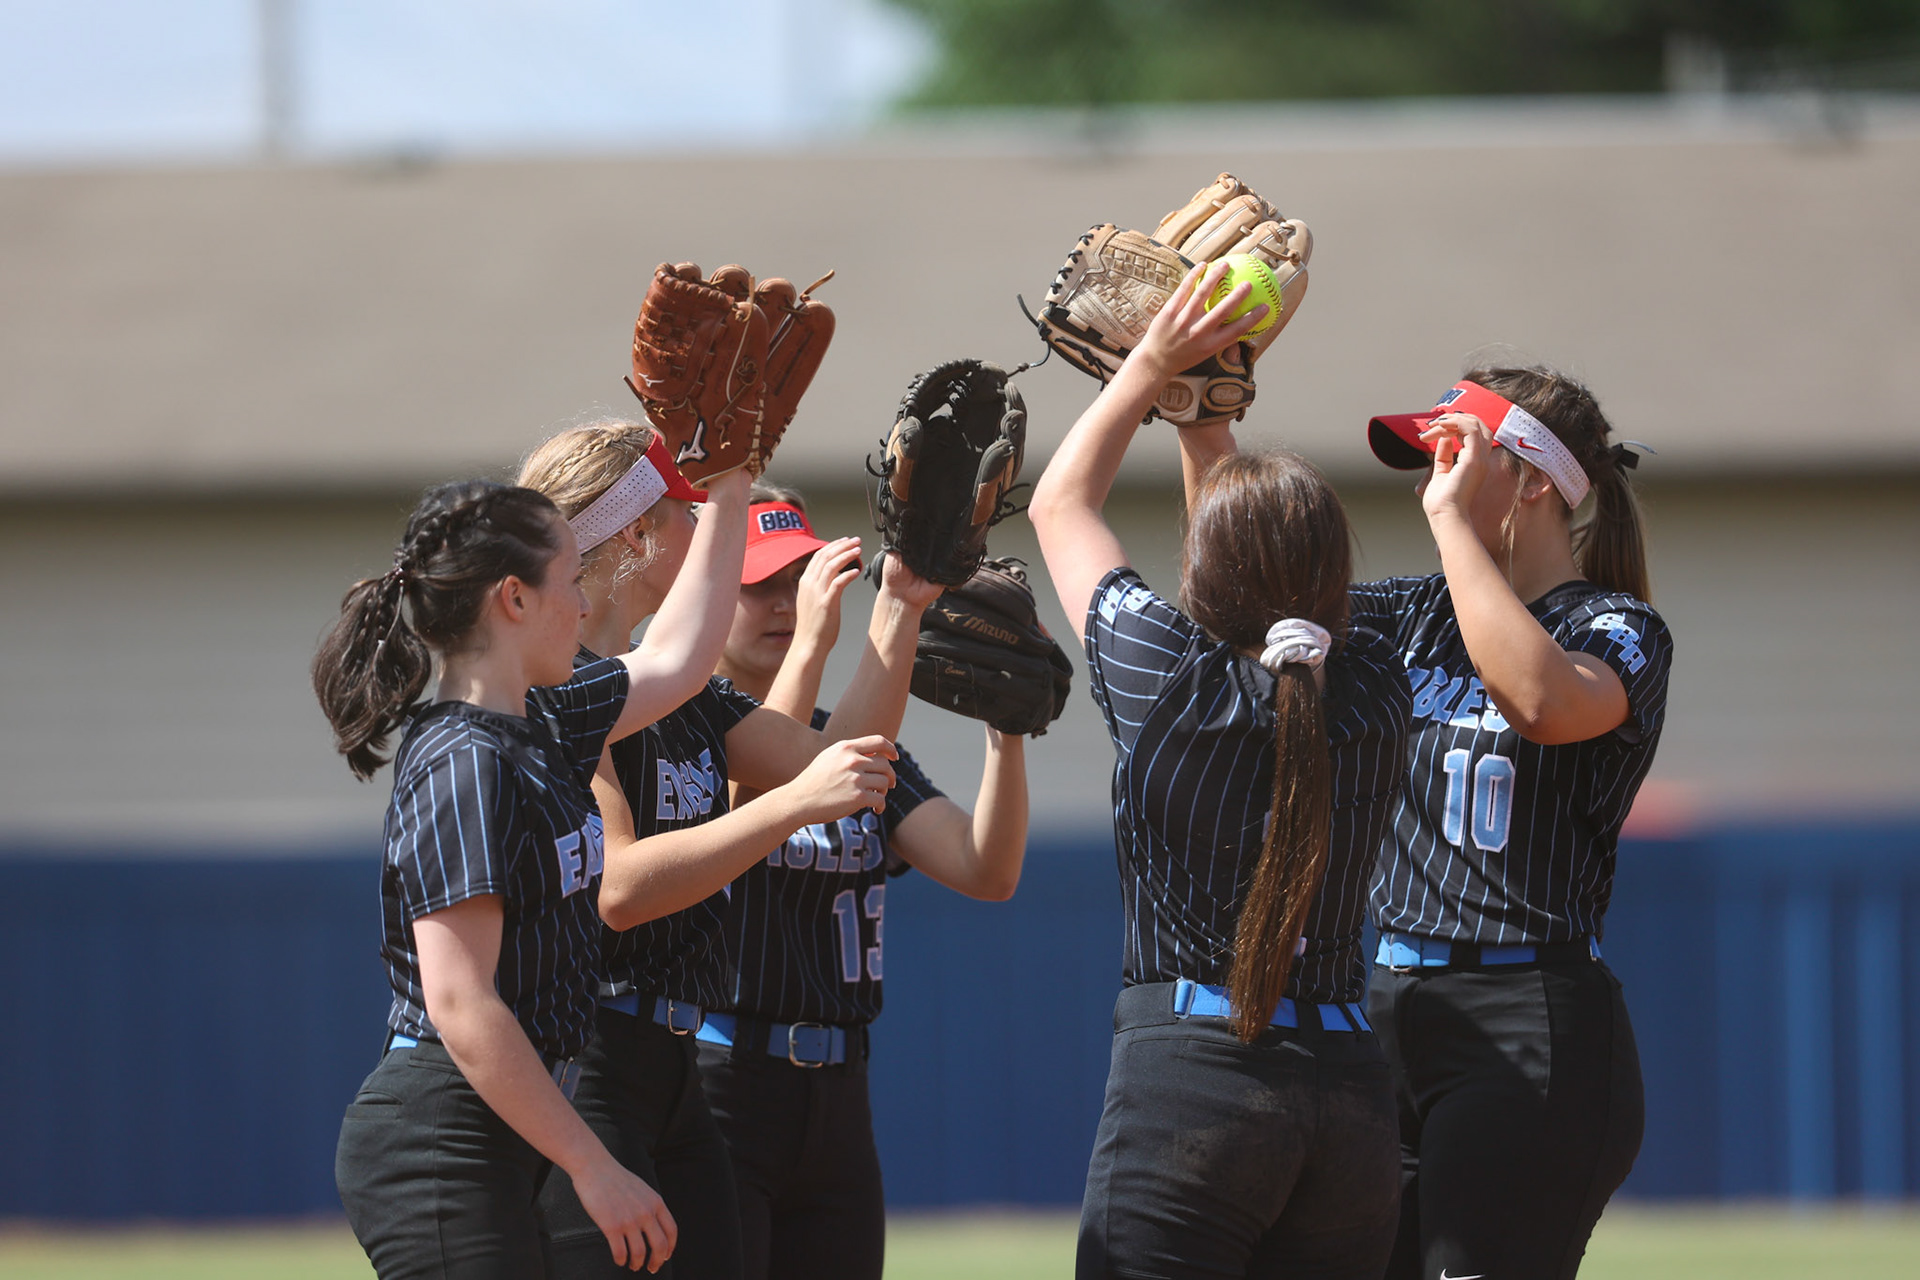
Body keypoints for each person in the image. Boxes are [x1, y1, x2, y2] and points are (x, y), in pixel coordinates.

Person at [1030, 260, 1413, 1280]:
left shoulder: (1173, 679)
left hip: (1195, 1080)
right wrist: (1210, 409)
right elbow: (1267, 594)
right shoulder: (1375, 688)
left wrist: (1155, 367)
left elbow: (1058, 504)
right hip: (1354, 1099)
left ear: (1205, 573)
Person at [515, 423, 938, 1280]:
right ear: (634, 535)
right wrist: (790, 807)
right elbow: (622, 889)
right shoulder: (551, 688)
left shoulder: (684, 694)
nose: (706, 523)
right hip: (592, 1056)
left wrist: (902, 602)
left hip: (674, 1070)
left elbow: (833, 755)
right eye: (688, 510)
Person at [315, 471, 751, 1277]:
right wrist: (592, 1164)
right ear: (513, 599)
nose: (584, 606)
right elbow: (460, 1001)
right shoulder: (463, 759)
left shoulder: (542, 719)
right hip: (442, 1130)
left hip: (502, 1124)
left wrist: (729, 487)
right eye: (571, 581)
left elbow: (683, 658)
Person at [1351, 372, 1673, 1280]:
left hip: (1527, 1024)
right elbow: (1251, 596)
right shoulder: (1412, 609)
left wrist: (1453, 527)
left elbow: (1539, 698)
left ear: (1533, 480)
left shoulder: (1619, 626)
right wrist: (1199, 420)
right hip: (1389, 1011)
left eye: (1456, 454)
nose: (1431, 478)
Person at [694, 482, 1030, 1280]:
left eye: (799, 577)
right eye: (759, 585)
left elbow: (986, 868)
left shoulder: (846, 741)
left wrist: (1006, 736)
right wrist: (817, 640)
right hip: (718, 1085)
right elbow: (756, 800)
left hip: (838, 1091)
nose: (785, 601)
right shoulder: (683, 725)